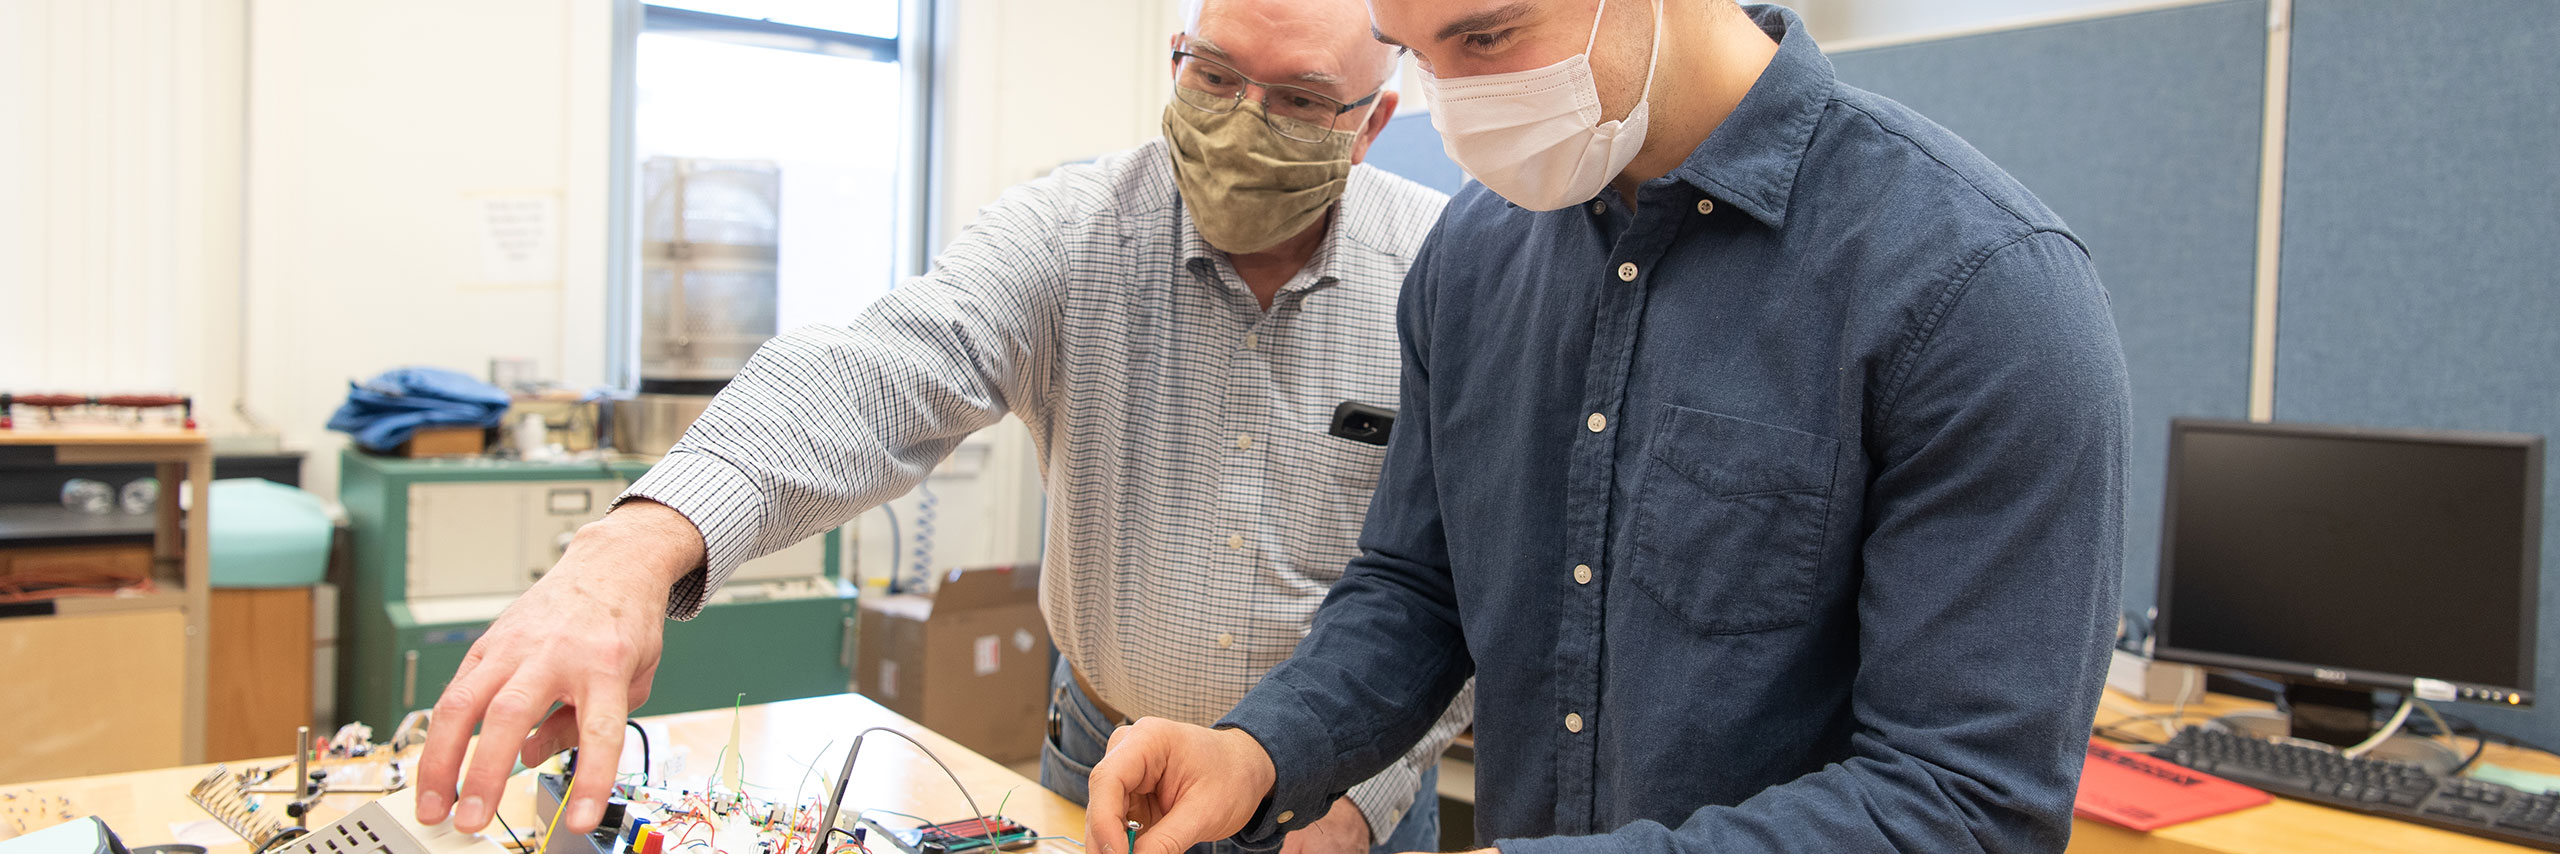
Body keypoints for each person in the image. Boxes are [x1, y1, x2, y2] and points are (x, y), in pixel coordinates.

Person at [409, 1, 1470, 853]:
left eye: (1295, 100)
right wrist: (630, 546)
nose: (1240, 118)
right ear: (1176, 58)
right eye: (1215, 75)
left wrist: (1354, 786)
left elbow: (1465, 579)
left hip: (1345, 790)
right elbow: (881, 370)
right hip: (1111, 762)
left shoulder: (1451, 272)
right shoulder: (1073, 231)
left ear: (1371, 123)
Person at [1085, 1, 2130, 853]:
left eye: (1488, 37)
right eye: (1419, 51)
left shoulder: (1977, 289)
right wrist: (1261, 750)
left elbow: (1963, 803)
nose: (1456, 101)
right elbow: (1417, 589)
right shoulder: (1472, 258)